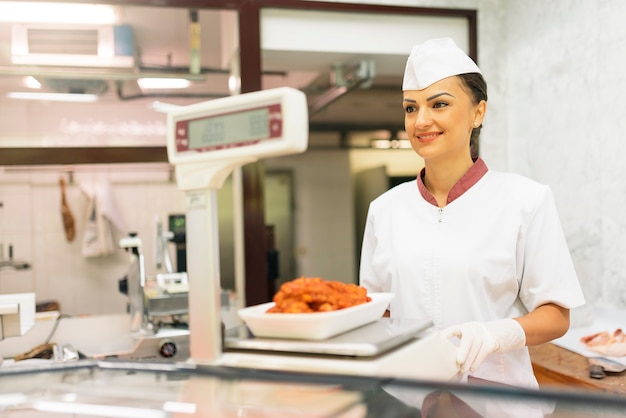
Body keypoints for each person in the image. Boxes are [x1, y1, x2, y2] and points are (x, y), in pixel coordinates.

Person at [359, 38, 586, 414]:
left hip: (497, 404)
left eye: (440, 104)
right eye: (411, 108)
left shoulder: (525, 200)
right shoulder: (385, 210)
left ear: (478, 112)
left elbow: (556, 314)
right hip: (407, 403)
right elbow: (377, 310)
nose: (421, 121)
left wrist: (499, 333)